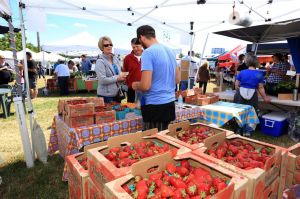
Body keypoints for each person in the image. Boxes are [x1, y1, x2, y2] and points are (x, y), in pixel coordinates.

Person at [132, 25, 180, 131]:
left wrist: (135, 85)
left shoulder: (148, 53)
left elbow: (145, 86)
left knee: (153, 143)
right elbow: (177, 80)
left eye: (140, 42)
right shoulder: (170, 51)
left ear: (142, 38)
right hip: (170, 103)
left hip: (154, 105)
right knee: (166, 141)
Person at [95, 36, 126, 103]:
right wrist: (117, 78)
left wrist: (123, 77)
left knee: (118, 112)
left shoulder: (115, 58)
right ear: (101, 48)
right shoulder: (100, 61)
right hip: (106, 95)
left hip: (117, 93)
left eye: (110, 44)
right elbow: (102, 80)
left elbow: (119, 73)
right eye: (106, 45)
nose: (109, 46)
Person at [123, 38, 143, 103]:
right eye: (133, 47)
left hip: (145, 88)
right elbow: (124, 72)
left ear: (141, 45)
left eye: (137, 46)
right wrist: (128, 83)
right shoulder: (127, 58)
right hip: (132, 89)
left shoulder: (147, 56)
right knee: (131, 109)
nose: (135, 49)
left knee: (145, 108)